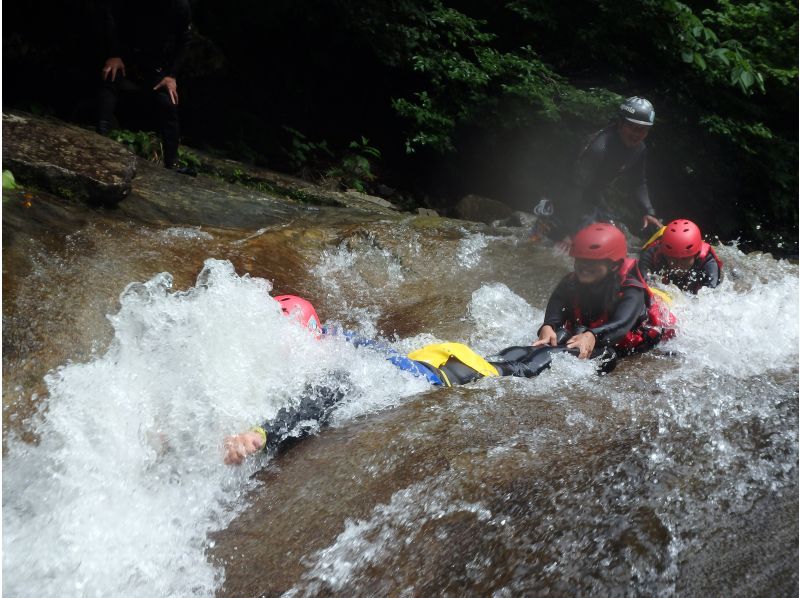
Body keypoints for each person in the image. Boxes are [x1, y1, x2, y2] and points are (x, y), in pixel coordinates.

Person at [223, 294, 620, 466]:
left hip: (452, 372)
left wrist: (262, 433)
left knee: (529, 363)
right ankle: (561, 337)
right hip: (436, 357)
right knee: (514, 353)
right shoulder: (331, 336)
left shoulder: (339, 367)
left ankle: (581, 342)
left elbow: (320, 400)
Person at [533, 222, 675, 362]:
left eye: (593, 262)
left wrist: (592, 335)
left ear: (614, 265)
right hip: (595, 332)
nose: (584, 266)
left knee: (606, 356)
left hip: (634, 343)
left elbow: (621, 324)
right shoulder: (569, 283)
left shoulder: (632, 290)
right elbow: (555, 310)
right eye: (580, 260)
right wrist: (548, 326)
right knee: (559, 337)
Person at [553, 97, 663, 253]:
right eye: (632, 127)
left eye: (643, 129)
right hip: (568, 197)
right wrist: (569, 232)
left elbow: (638, 182)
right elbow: (573, 190)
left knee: (616, 239)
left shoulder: (639, 150)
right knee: (587, 246)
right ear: (620, 123)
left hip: (593, 197)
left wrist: (648, 212)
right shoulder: (600, 148)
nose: (637, 134)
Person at [97, 0, 194, 173]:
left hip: (154, 64)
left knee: (168, 101)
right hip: (125, 54)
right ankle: (99, 137)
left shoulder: (180, 5)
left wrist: (171, 75)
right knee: (110, 76)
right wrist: (114, 54)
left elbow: (184, 40)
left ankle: (172, 161)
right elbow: (109, 14)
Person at [638, 219, 723, 293]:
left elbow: (710, 301)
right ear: (665, 254)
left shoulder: (709, 265)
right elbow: (641, 283)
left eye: (684, 259)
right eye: (673, 258)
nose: (678, 266)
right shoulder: (653, 253)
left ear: (696, 255)